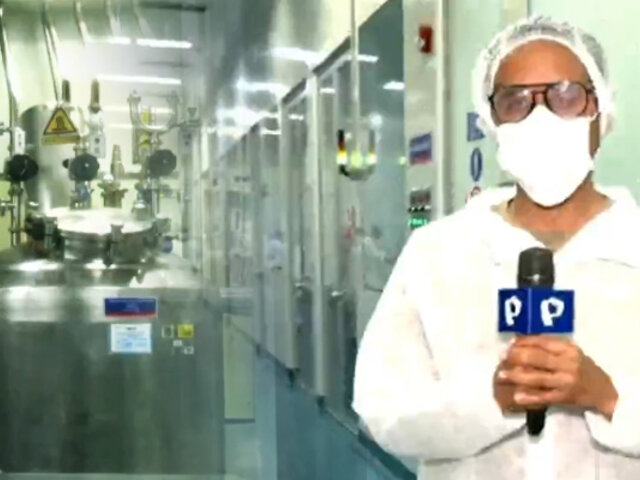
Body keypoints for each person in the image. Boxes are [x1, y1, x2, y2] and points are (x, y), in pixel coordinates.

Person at [353, 16, 640, 480]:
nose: (542, 117)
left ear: (601, 111)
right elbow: (382, 409)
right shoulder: (438, 254)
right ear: (492, 121)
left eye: (566, 94)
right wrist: (490, 400)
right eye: (515, 101)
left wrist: (608, 397)